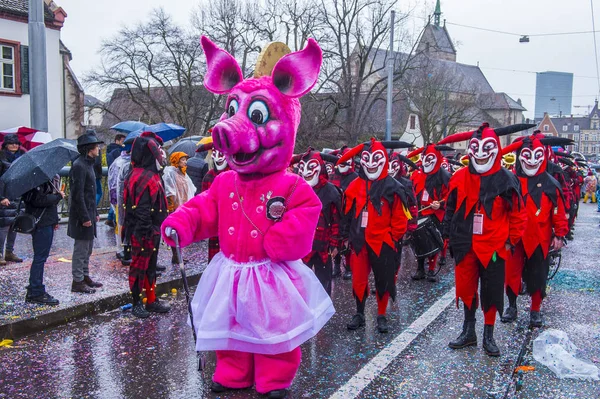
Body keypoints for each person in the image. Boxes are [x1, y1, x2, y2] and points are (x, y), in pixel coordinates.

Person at [161, 37, 333, 399]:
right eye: (233, 111)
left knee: (273, 329)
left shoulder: (290, 184)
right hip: (232, 271)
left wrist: (278, 240)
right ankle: (233, 370)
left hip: (271, 275)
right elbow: (204, 208)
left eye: (256, 114)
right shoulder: (225, 182)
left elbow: (306, 211)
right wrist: (182, 223)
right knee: (232, 324)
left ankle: (274, 377)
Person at [439, 122, 530, 357]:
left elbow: (518, 214)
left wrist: (511, 241)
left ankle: (489, 335)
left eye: (486, 147)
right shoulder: (459, 177)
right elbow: (450, 208)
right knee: (467, 289)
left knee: (491, 291)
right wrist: (447, 235)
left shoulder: (507, 180)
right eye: (475, 148)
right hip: (465, 245)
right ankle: (469, 332)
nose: (480, 154)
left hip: (494, 247)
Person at [339, 138, 412, 334]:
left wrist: (392, 237)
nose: (371, 163)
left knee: (383, 280)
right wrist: (345, 238)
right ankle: (360, 314)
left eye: (375, 158)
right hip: (359, 242)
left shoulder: (394, 186)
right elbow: (346, 215)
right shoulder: (354, 186)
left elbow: (400, 217)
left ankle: (381, 315)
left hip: (383, 242)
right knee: (359, 280)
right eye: (367, 159)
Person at [501, 135, 569, 327]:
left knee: (538, 274)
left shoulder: (550, 183)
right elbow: (501, 209)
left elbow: (558, 210)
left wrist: (559, 233)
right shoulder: (510, 181)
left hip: (540, 236)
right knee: (511, 273)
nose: (531, 160)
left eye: (536, 155)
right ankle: (512, 306)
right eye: (527, 155)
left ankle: (535, 310)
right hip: (513, 237)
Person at [123, 131, 170, 318]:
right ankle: (137, 302)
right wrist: (147, 230)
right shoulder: (142, 176)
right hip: (143, 231)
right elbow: (141, 208)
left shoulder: (150, 174)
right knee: (139, 266)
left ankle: (151, 300)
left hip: (152, 230)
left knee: (150, 266)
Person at [296, 149, 342, 296]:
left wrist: (335, 244)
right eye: (303, 167)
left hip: (324, 246)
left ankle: (324, 312)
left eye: (311, 167)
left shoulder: (331, 191)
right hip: (302, 246)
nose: (306, 171)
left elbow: (336, 220)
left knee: (324, 281)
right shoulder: (297, 189)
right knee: (302, 282)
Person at [407, 144, 452, 282]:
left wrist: (440, 203)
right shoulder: (416, 174)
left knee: (433, 241)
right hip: (419, 212)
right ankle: (420, 269)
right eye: (425, 157)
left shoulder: (444, 176)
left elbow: (450, 195)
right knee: (418, 241)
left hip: (435, 213)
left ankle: (431, 269)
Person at [68, 131, 104, 294]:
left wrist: (94, 212)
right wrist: (84, 217)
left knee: (87, 248)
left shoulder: (87, 164)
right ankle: (77, 281)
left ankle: (85, 276)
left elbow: (90, 192)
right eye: (97, 146)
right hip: (82, 216)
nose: (99, 149)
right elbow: (78, 194)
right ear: (90, 148)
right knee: (81, 249)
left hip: (89, 212)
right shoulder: (79, 166)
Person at [23, 177, 65, 305]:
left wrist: (54, 220)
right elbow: (38, 200)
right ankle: (36, 291)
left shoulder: (41, 179)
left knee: (41, 256)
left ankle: (34, 288)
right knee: (40, 257)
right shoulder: (35, 180)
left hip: (45, 221)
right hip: (41, 223)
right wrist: (58, 197)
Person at [330, 146, 358, 280]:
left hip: (350, 215)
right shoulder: (333, 176)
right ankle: (336, 266)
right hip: (335, 214)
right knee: (335, 240)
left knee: (348, 242)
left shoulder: (355, 177)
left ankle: (348, 267)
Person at [163, 151, 196, 264]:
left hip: (183, 207)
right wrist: (171, 207)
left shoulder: (183, 173)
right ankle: (176, 256)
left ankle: (178, 255)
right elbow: (169, 191)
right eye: (182, 159)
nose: (185, 162)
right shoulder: (170, 173)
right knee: (174, 232)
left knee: (181, 231)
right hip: (175, 207)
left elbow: (191, 189)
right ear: (176, 161)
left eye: (185, 159)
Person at [201, 140, 229, 262]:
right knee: (215, 261)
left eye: (221, 153)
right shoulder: (208, 177)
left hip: (232, 224)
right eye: (215, 153)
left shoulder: (235, 175)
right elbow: (203, 202)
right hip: (215, 225)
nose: (218, 158)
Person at [0, 134, 25, 264]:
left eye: (16, 143)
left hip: (17, 195)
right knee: (4, 225)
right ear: (6, 145)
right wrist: (1, 197)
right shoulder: (1, 158)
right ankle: (0, 253)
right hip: (5, 196)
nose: (14, 145)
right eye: (11, 143)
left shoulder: (22, 157)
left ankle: (9, 251)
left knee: (14, 225)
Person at [108, 144, 132, 265]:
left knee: (124, 224)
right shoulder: (120, 163)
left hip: (125, 199)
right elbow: (114, 183)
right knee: (121, 224)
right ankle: (120, 248)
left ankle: (125, 248)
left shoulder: (124, 162)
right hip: (120, 199)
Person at [105, 134, 126, 227]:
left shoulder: (109, 149)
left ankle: (111, 218)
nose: (123, 143)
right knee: (118, 199)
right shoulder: (118, 151)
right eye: (122, 141)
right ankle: (114, 219)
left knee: (114, 198)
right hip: (118, 178)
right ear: (117, 140)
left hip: (112, 177)